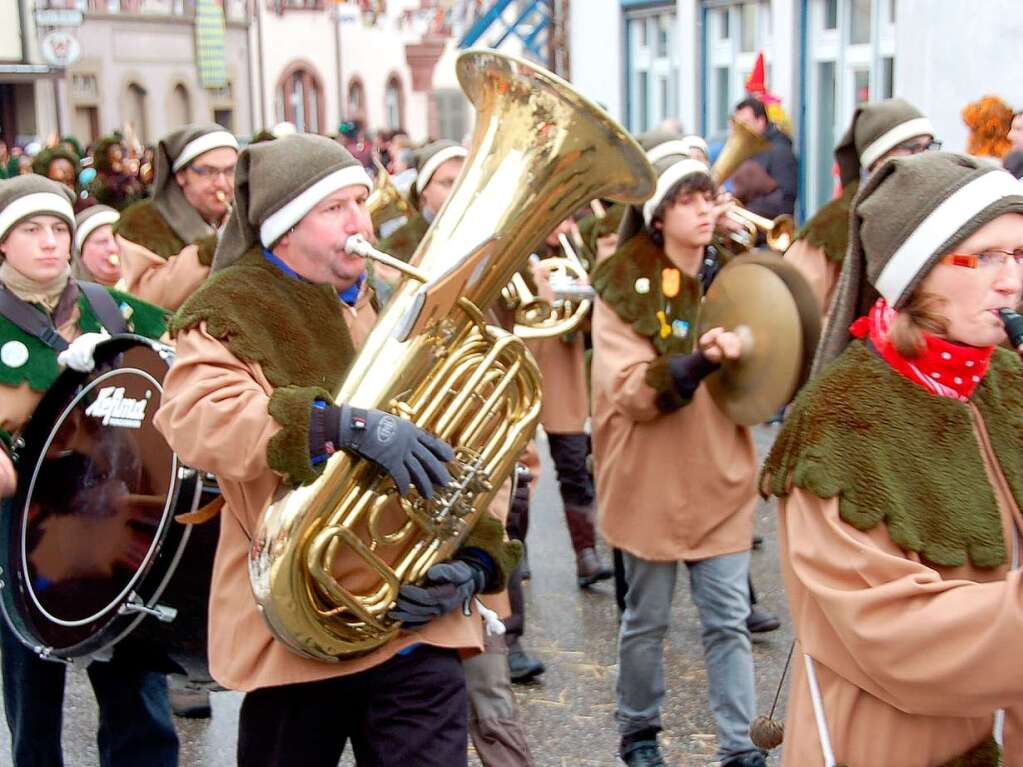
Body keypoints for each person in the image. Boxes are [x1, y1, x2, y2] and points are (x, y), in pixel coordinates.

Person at [153, 133, 520, 767]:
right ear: (285, 228)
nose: (361, 222)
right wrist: (337, 427)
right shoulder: (230, 307)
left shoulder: (402, 303)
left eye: (361, 201)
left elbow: (477, 445)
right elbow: (194, 418)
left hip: (414, 625)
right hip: (297, 625)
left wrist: (479, 560)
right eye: (335, 209)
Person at [761, 152, 1023, 766]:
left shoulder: (1005, 379)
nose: (1011, 280)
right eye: (984, 257)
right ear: (917, 273)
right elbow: (891, 633)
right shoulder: (840, 419)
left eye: (1019, 255)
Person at [0, 175, 177, 767]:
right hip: (19, 512)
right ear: (3, 242)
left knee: (130, 657)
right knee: (31, 674)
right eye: (31, 230)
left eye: (58, 229)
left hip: (113, 509)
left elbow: (191, 343)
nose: (50, 242)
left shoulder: (108, 305)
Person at [591, 157, 762, 767]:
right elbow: (632, 393)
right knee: (647, 621)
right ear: (659, 216)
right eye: (689, 201)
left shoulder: (737, 279)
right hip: (651, 479)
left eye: (709, 198)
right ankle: (638, 733)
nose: (706, 210)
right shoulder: (621, 287)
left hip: (720, 473)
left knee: (728, 622)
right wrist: (701, 362)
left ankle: (739, 747)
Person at [785, 98, 937, 322]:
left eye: (928, 147)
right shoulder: (833, 224)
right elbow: (792, 312)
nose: (923, 157)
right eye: (912, 148)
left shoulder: (933, 216)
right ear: (877, 159)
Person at [115, 123, 238, 310]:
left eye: (230, 171)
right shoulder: (141, 222)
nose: (222, 183)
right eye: (208, 171)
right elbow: (147, 299)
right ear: (181, 175)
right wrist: (216, 244)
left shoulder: (246, 215)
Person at [730, 96, 798, 221]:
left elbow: (785, 198)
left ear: (760, 121)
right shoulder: (749, 149)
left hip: (767, 234)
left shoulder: (780, 152)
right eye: (737, 125)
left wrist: (742, 215)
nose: (740, 131)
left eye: (745, 124)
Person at [72, 205, 123, 287]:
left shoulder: (145, 291)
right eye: (101, 242)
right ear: (81, 253)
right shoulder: (70, 296)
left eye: (118, 240)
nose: (113, 248)